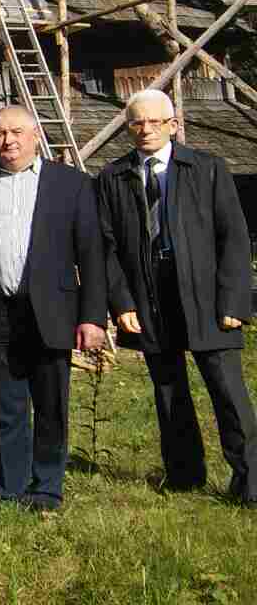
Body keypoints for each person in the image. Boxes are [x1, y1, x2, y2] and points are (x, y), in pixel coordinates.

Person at [97, 88, 256, 504]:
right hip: (151, 298)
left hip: (206, 298)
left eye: (154, 122)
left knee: (228, 394)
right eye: (136, 122)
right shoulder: (113, 177)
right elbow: (106, 247)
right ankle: (184, 475)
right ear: (128, 127)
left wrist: (234, 302)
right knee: (168, 391)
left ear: (172, 125)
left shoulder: (206, 168)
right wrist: (122, 302)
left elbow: (234, 239)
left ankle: (250, 482)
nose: (145, 129)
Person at [0, 105, 106, 511]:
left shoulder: (70, 184)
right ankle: (11, 487)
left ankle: (48, 486)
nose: (8, 141)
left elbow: (91, 255)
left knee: (51, 405)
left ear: (35, 135)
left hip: (52, 311)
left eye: (16, 132)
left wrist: (92, 317)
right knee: (6, 406)